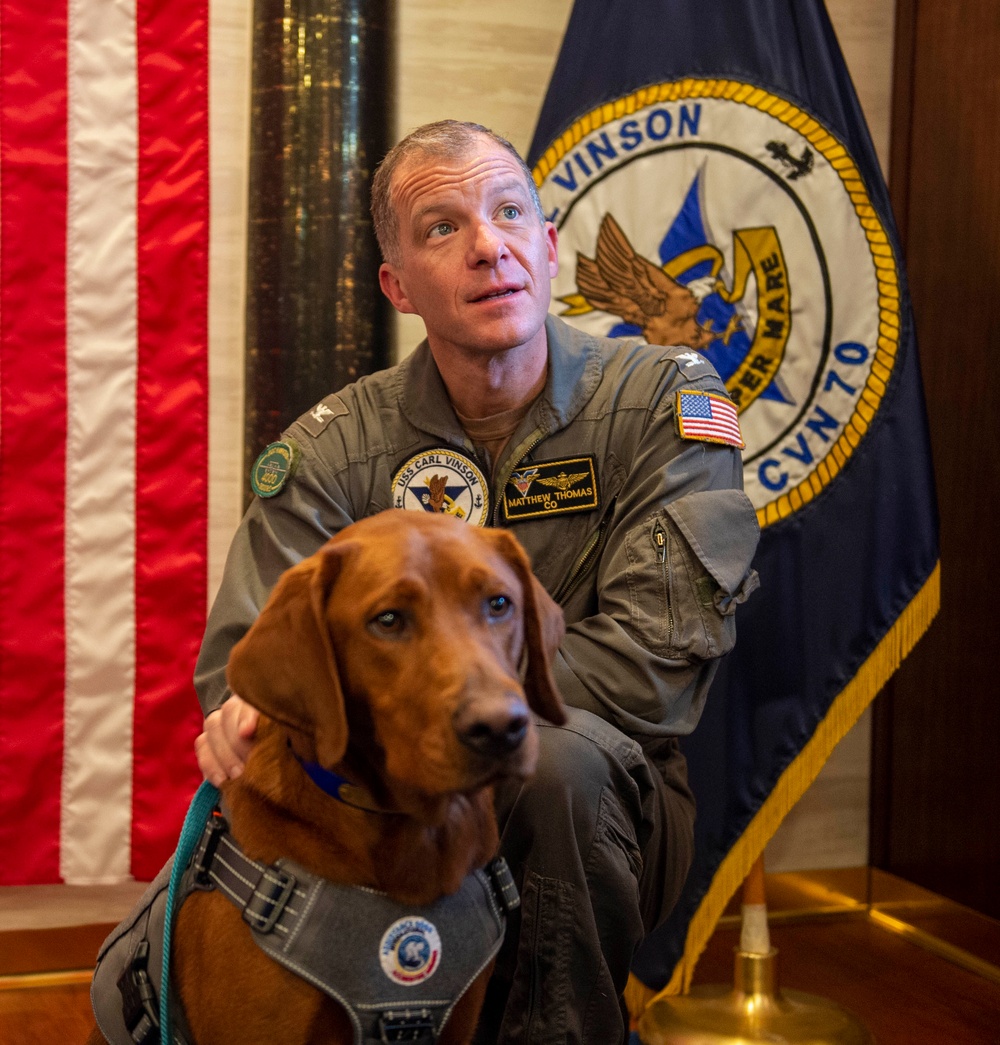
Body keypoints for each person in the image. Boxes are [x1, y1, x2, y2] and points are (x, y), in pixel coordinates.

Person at [194, 119, 759, 1044]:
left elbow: (653, 670)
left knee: (559, 770)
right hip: (382, 808)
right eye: (442, 228)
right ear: (398, 285)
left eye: (508, 214)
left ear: (548, 246)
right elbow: (240, 680)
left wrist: (464, 715)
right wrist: (266, 717)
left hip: (596, 802)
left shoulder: (666, 402)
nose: (488, 246)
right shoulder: (332, 446)